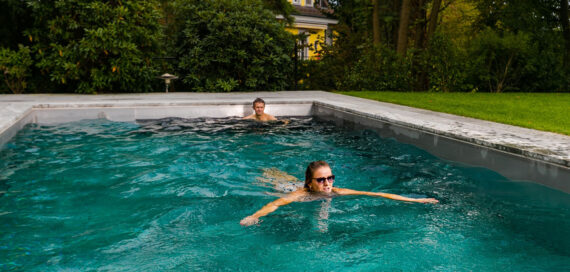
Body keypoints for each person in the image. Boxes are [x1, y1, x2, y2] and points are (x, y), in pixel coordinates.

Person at [240, 160, 439, 226]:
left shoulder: (337, 191)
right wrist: (254, 216)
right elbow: (274, 204)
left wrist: (416, 200)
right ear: (310, 183)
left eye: (330, 178)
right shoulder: (301, 195)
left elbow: (377, 195)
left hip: (303, 185)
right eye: (321, 179)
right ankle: (266, 172)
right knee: (271, 180)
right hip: (287, 187)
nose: (327, 183)